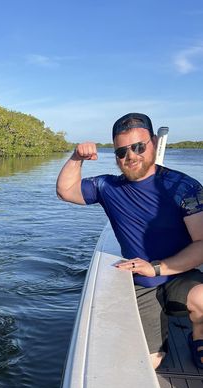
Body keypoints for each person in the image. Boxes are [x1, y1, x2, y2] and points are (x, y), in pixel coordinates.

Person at [56, 112, 203, 370]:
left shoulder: (183, 187)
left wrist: (156, 267)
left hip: (179, 274)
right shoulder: (107, 187)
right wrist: (76, 158)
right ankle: (159, 343)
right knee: (147, 363)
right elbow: (65, 191)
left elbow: (201, 243)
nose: (130, 156)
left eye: (138, 147)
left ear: (154, 143)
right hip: (140, 283)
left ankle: (198, 336)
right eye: (121, 151)